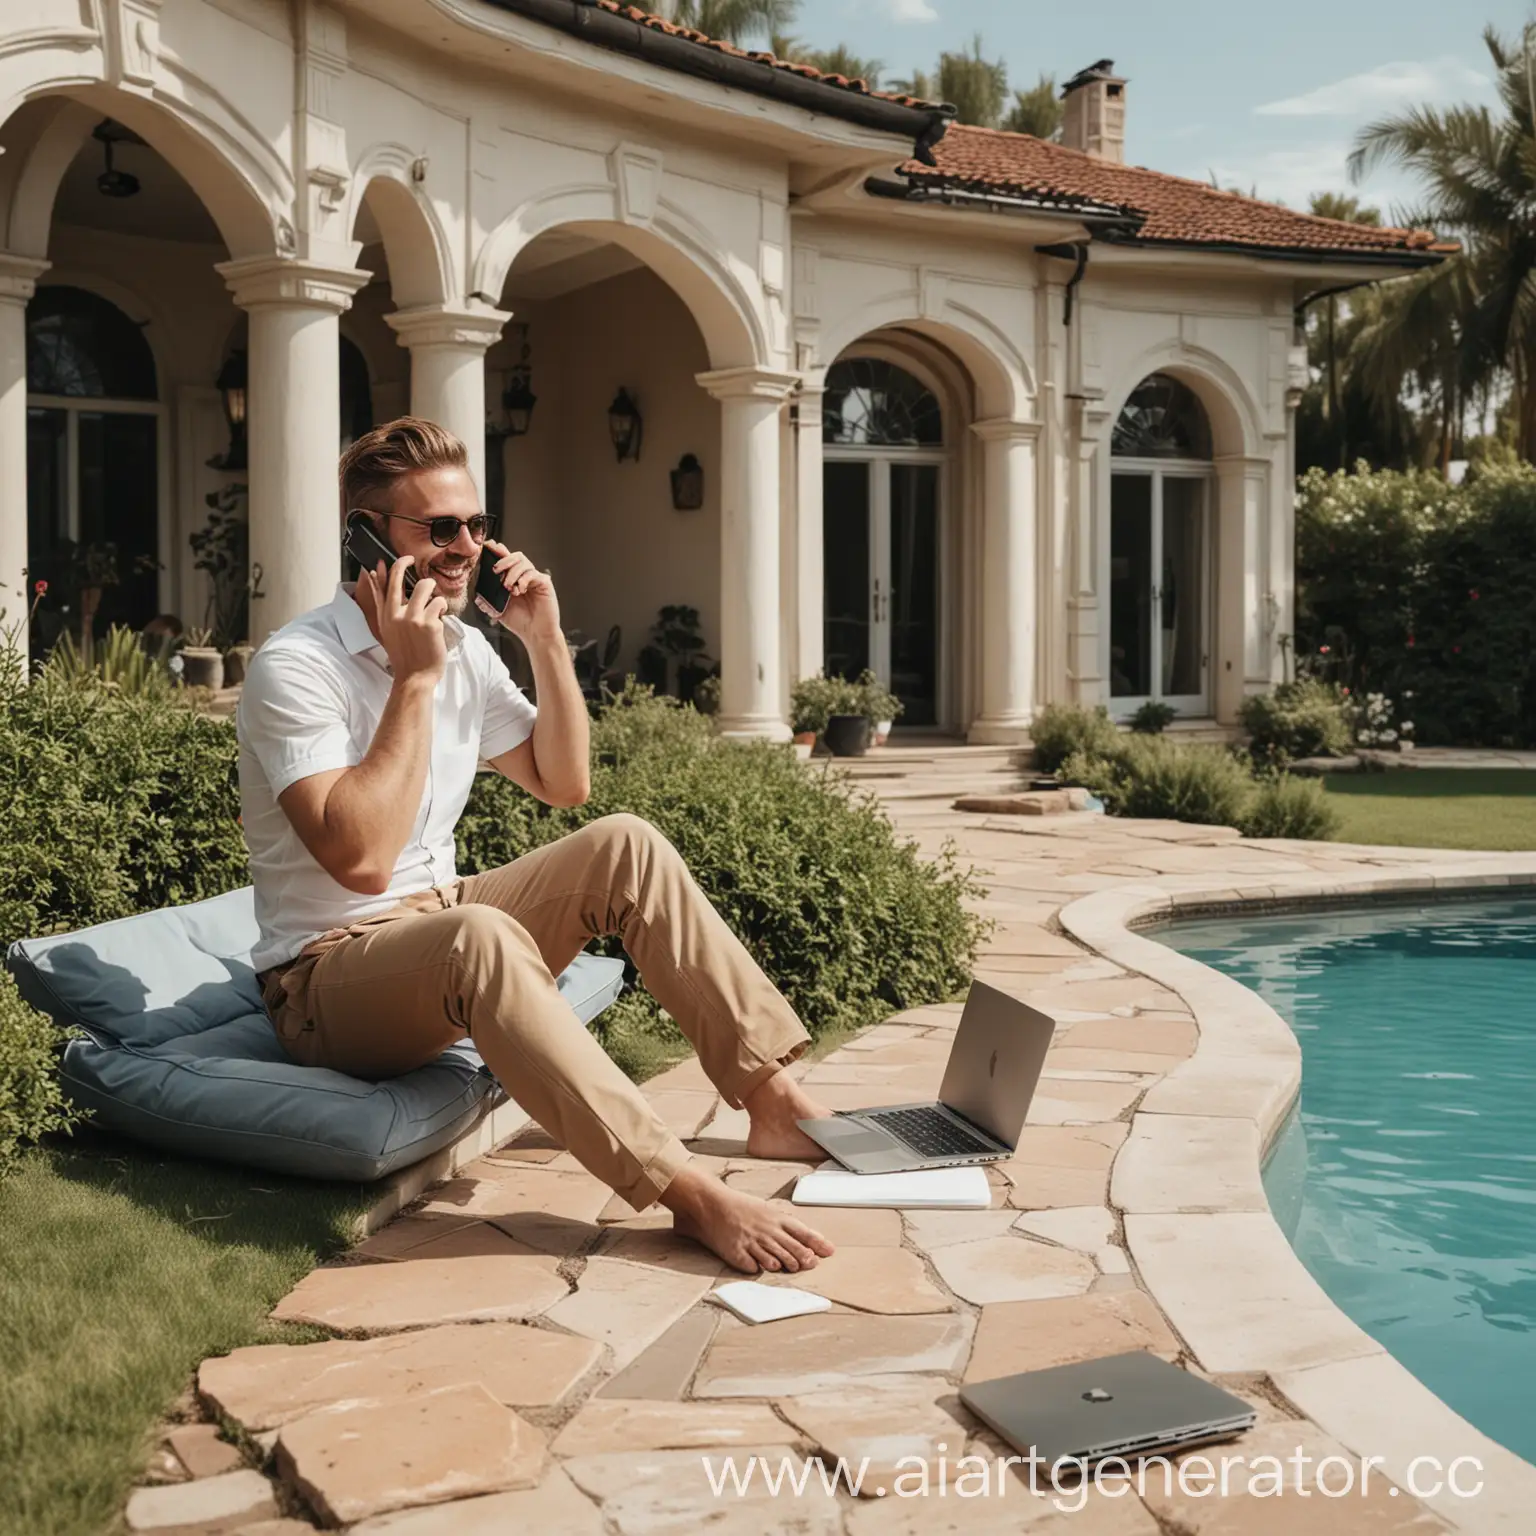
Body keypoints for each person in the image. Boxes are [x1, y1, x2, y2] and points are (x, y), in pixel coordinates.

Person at [236, 417, 836, 1275]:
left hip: (439, 920)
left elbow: (565, 783)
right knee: (476, 937)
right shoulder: (298, 667)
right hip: (326, 978)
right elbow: (360, 861)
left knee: (622, 842)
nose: (467, 548)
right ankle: (687, 1193)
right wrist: (412, 678)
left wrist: (544, 638)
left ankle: (772, 1101)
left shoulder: (465, 647)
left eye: (476, 526)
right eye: (440, 529)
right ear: (366, 537)